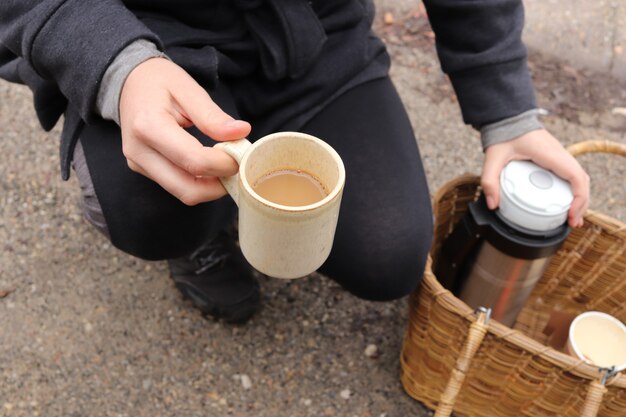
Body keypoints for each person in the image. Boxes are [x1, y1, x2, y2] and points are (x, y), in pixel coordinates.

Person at [0, 1, 589, 324]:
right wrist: (112, 64)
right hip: (147, 42)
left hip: (315, 42)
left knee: (390, 259)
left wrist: (507, 109)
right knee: (149, 209)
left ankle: (244, 194)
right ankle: (199, 235)